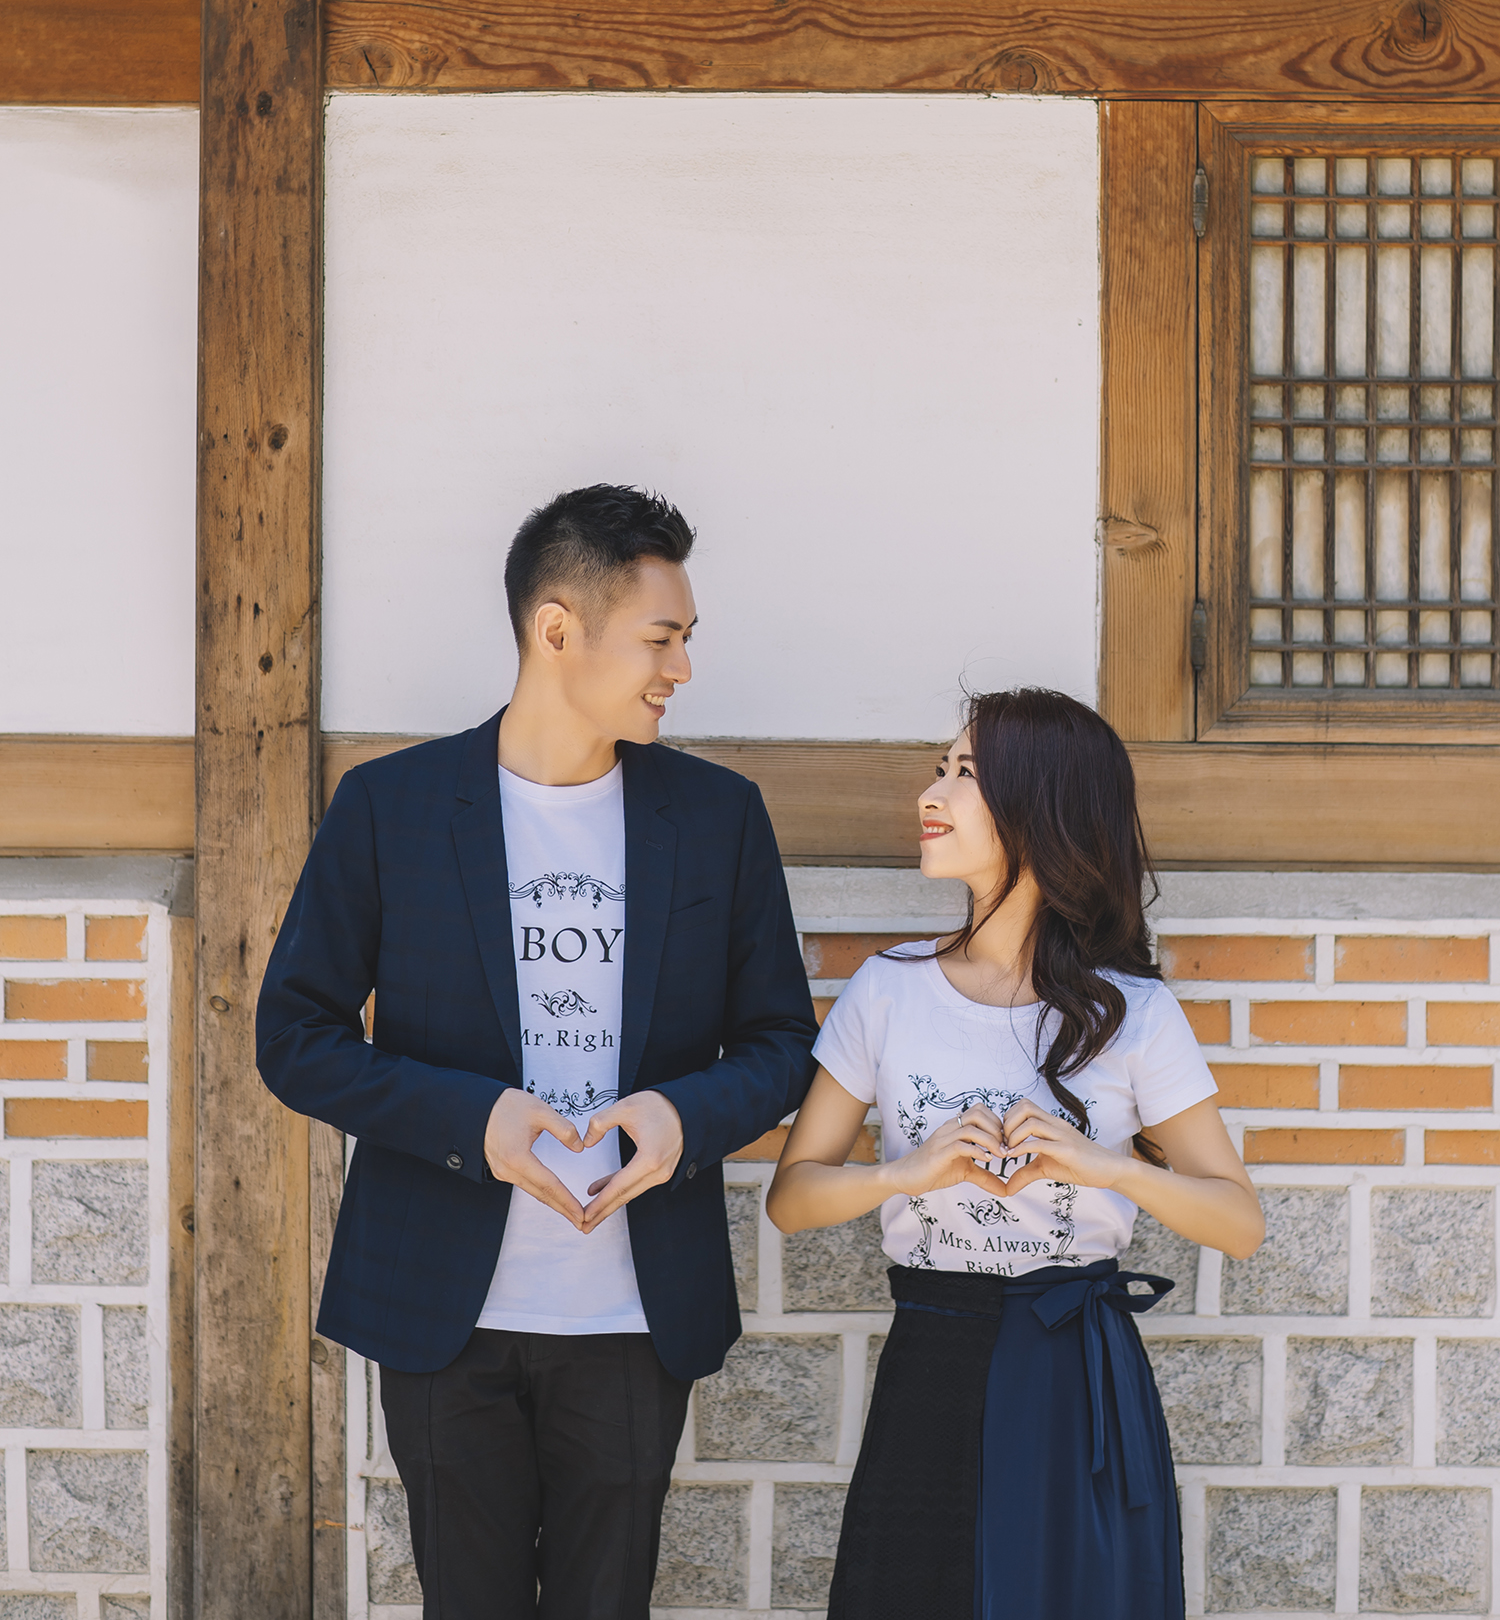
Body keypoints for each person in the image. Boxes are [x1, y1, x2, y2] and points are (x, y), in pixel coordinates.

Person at [257, 483, 818, 1620]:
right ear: (557, 628)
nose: (682, 668)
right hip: (438, 1303)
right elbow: (296, 1038)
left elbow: (781, 1042)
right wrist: (473, 1120)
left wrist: (684, 1116)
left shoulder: (718, 817)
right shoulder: (392, 807)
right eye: (661, 638)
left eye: (686, 639)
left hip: (633, 1310)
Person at [766, 686, 1263, 1620]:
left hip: (1076, 1371)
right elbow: (791, 1199)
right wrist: (904, 1173)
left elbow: (1239, 1222)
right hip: (931, 1354)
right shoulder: (889, 989)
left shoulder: (1133, 1011)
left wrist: (1107, 1166)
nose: (931, 793)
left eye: (966, 773)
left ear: (1042, 806)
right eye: (940, 768)